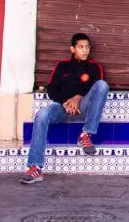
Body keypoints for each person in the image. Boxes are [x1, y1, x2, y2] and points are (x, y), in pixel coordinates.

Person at [20, 33, 108, 185]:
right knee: (42, 115)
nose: (85, 50)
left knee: (102, 85)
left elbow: (94, 89)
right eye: (81, 47)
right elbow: (52, 90)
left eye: (87, 47)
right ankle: (35, 167)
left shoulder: (95, 68)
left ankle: (85, 135)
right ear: (72, 49)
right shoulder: (62, 66)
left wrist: (78, 97)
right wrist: (66, 100)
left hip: (84, 108)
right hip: (62, 107)